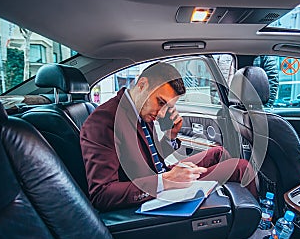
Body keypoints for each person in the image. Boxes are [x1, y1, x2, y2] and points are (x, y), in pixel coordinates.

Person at [80, 62, 258, 211]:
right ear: (142, 85)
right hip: (151, 194)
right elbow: (101, 195)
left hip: (160, 175)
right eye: (161, 102)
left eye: (168, 106)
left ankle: (229, 207)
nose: (161, 113)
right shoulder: (104, 120)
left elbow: (150, 157)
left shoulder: (139, 110)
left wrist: (170, 137)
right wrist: (166, 181)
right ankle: (255, 225)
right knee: (240, 167)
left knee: (217, 152)